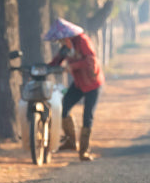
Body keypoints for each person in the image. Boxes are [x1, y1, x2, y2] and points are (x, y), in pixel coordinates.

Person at [44, 18, 105, 161]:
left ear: (69, 35)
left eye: (62, 39)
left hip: (92, 83)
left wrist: (72, 67)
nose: (61, 42)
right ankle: (71, 142)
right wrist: (45, 68)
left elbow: (91, 60)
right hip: (78, 84)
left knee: (87, 115)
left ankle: (84, 151)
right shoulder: (66, 47)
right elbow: (56, 61)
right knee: (64, 107)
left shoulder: (82, 41)